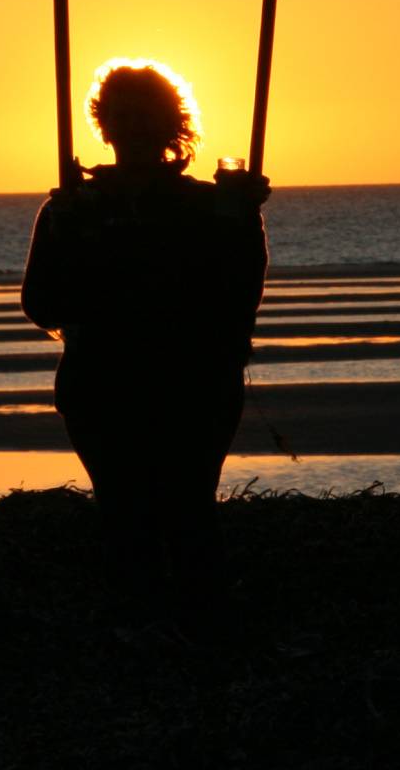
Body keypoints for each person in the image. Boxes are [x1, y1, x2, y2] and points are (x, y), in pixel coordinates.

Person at [20, 60, 269, 626]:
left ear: (168, 126)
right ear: (105, 125)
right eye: (122, 116)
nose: (132, 129)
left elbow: (239, 294)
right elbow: (42, 303)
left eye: (141, 117)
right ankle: (155, 629)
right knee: (138, 512)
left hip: (186, 386)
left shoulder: (213, 207)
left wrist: (246, 219)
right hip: (112, 386)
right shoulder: (73, 209)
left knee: (177, 511)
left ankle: (190, 629)